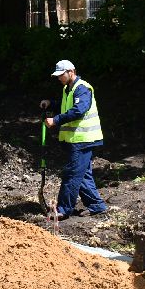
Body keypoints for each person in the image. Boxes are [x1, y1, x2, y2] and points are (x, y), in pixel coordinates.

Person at [42, 59, 109, 220]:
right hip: (76, 139)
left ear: (71, 72)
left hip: (84, 139)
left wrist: (56, 120)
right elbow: (67, 107)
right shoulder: (68, 89)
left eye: (61, 75)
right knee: (82, 174)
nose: (59, 78)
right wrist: (51, 103)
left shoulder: (82, 88)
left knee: (71, 174)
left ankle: (63, 209)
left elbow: (78, 110)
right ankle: (97, 206)